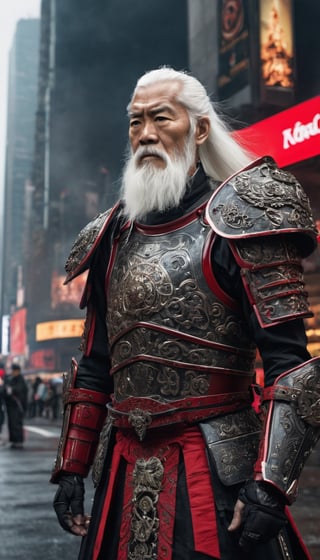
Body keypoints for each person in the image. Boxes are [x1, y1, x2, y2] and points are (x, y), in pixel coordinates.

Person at [51, 67, 320, 560]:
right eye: (135, 122)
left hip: (216, 468)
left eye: (161, 118)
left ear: (198, 129)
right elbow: (94, 365)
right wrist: (72, 466)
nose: (146, 134)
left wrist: (271, 484)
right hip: (123, 472)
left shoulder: (243, 219)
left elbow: (294, 368)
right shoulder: (111, 236)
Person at [4, 363, 28, 449]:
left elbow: (21, 391)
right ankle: (14, 440)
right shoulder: (12, 379)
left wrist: (12, 389)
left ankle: (18, 440)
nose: (13, 372)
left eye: (14, 370)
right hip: (11, 406)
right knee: (11, 423)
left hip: (17, 406)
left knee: (17, 423)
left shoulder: (20, 380)